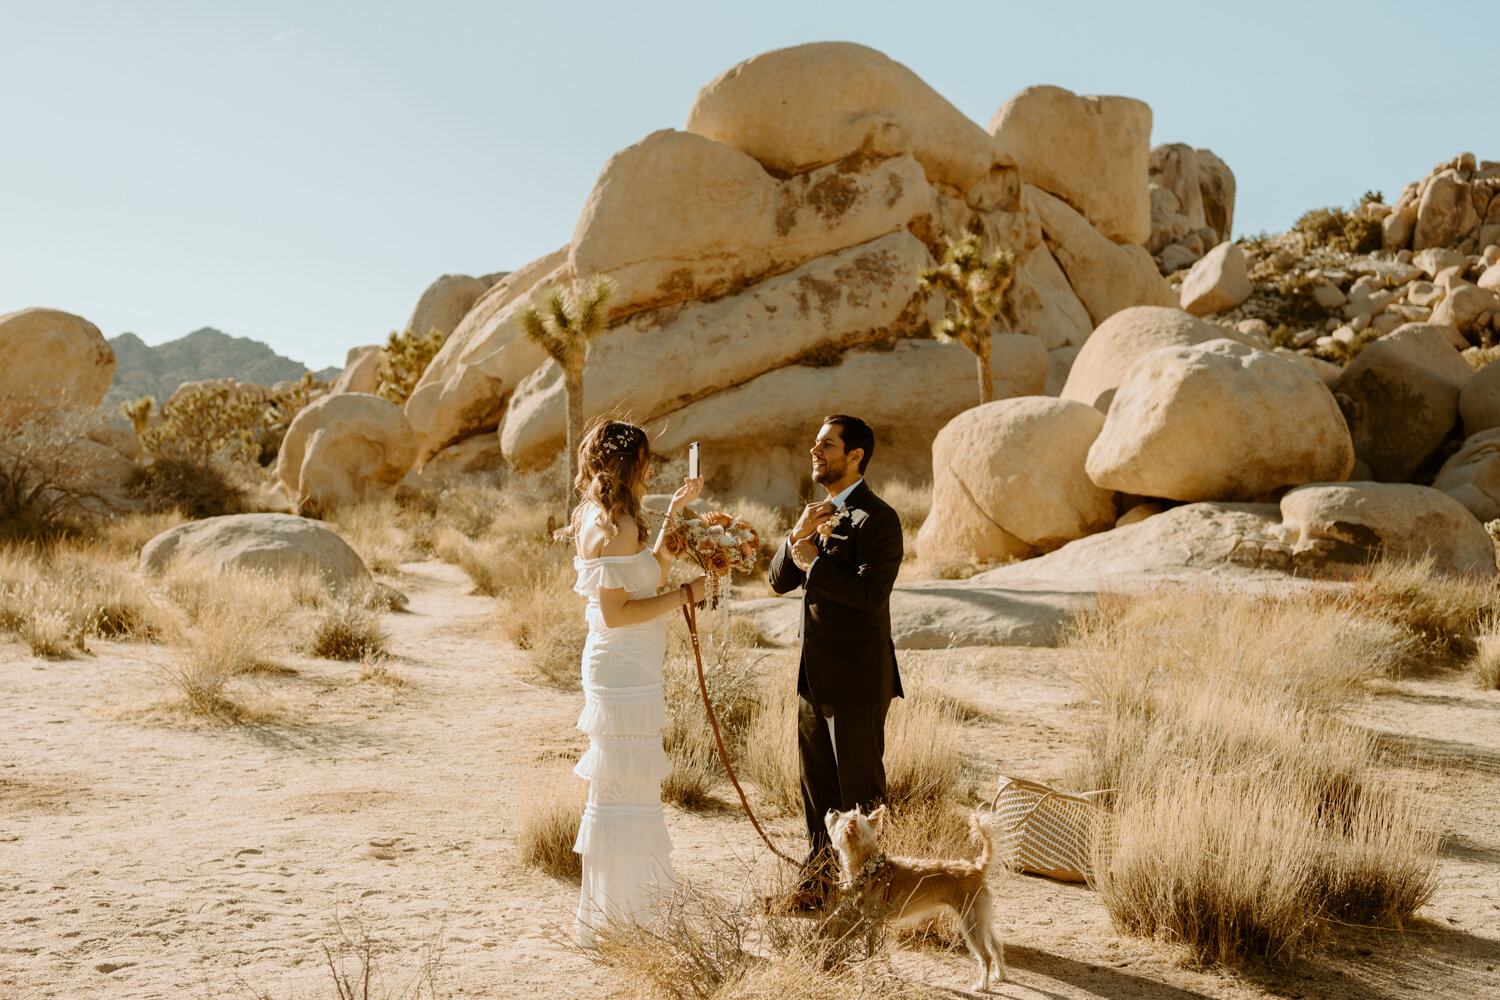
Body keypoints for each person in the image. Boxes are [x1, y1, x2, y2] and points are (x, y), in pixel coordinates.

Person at [565, 418, 706, 945]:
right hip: (621, 669)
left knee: (631, 789)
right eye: (646, 458)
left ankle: (626, 912)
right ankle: (627, 918)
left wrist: (676, 511)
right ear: (629, 463)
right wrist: (686, 597)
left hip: (635, 668)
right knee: (624, 790)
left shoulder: (618, 518)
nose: (651, 466)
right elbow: (620, 614)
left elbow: (651, 570)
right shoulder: (612, 525)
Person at [767, 414, 904, 910]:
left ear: (855, 457)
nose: (815, 451)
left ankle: (872, 897)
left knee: (863, 797)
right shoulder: (814, 514)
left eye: (827, 445)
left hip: (860, 681)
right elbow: (779, 581)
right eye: (814, 444)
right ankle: (818, 887)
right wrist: (794, 539)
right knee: (817, 792)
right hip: (813, 680)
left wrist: (815, 564)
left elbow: (870, 596)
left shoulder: (879, 519)